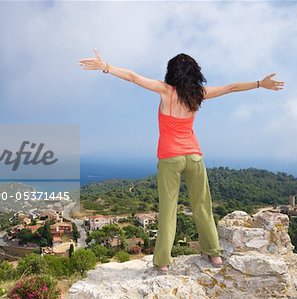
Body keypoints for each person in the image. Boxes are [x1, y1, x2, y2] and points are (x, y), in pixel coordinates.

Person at [79, 49, 284, 272]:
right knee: (203, 207)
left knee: (168, 210)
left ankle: (164, 262)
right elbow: (231, 87)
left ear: (172, 73)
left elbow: (133, 77)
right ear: (194, 73)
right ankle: (214, 254)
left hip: (170, 158)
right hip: (194, 157)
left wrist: (105, 67)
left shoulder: (167, 91)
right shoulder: (198, 94)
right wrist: (259, 83)